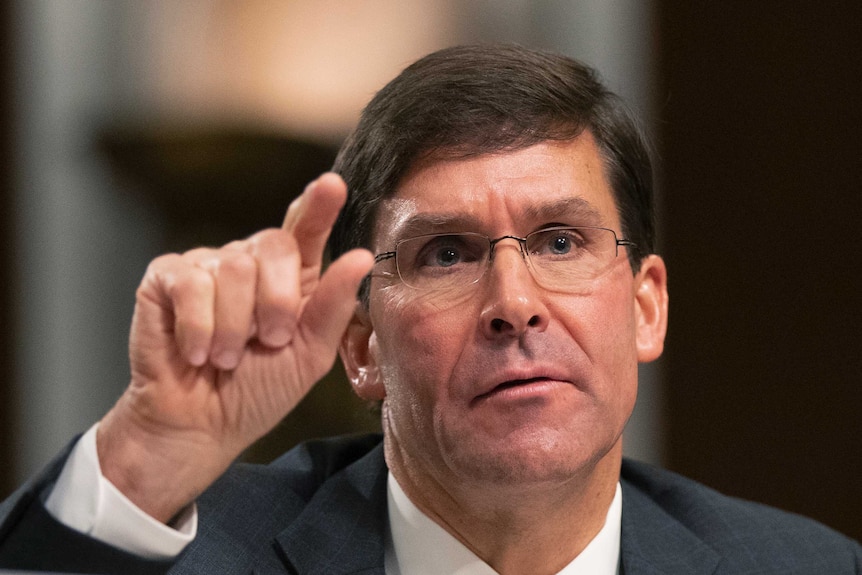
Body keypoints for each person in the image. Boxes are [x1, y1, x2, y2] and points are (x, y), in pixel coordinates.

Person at [0, 44, 858, 575]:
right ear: (363, 345)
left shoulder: (808, 566)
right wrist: (146, 458)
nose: (514, 304)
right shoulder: (194, 556)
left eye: (559, 240)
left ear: (646, 307)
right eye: (446, 253)